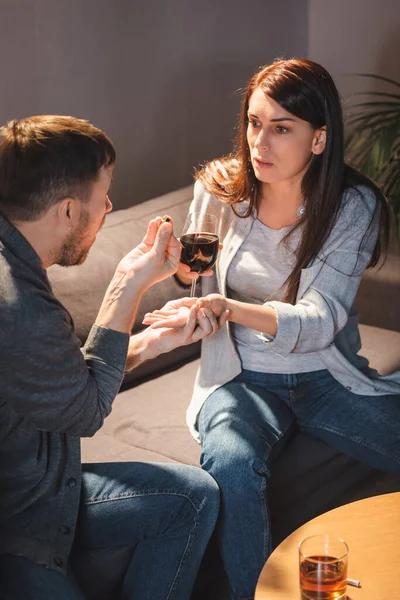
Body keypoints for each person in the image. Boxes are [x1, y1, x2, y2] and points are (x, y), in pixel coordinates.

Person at [143, 58, 400, 600]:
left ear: (319, 138)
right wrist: (189, 282)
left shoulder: (351, 206)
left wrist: (229, 307)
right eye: (254, 123)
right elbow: (198, 289)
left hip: (323, 375)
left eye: (282, 128)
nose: (260, 142)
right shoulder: (218, 190)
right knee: (232, 464)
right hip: (238, 377)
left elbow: (322, 321)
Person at [0, 115, 228, 600]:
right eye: (102, 197)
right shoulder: (21, 306)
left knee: (192, 496)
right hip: (18, 526)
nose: (108, 208)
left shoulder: (16, 263)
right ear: (66, 210)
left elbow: (64, 383)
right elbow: (85, 412)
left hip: (45, 486)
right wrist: (128, 283)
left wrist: (151, 343)